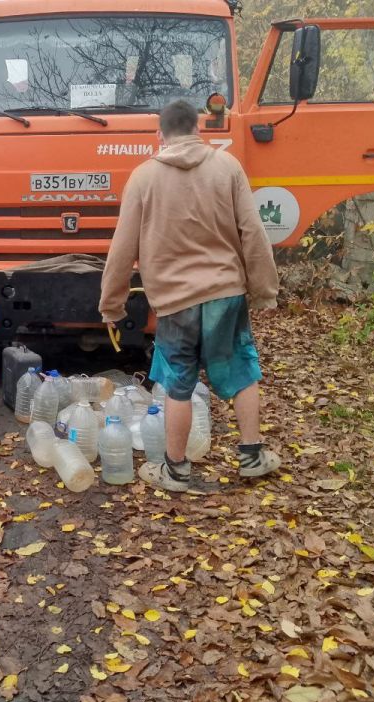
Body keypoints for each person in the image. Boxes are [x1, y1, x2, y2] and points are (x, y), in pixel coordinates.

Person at [99, 100, 281, 492]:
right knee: (242, 370)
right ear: (198, 129)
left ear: (160, 135)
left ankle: (176, 471)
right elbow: (253, 232)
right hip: (225, 293)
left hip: (175, 302)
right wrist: (264, 290)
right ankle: (252, 456)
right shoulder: (227, 167)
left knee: (179, 382)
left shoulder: (143, 178)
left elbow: (122, 248)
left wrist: (112, 306)